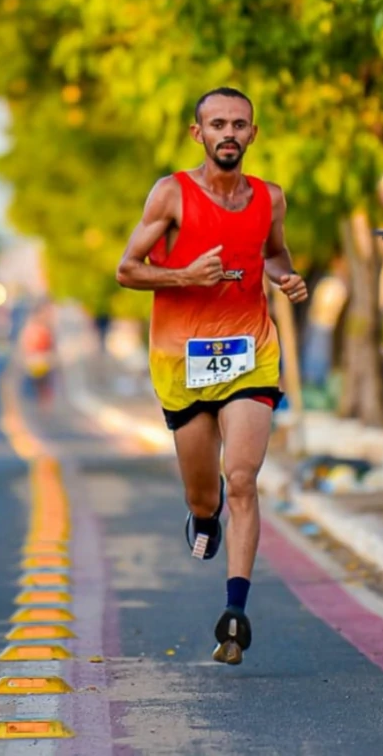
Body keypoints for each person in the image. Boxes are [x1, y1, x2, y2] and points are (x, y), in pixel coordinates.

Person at [115, 86, 308, 665]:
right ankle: (204, 513)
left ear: (253, 134)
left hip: (251, 351)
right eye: (217, 123)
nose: (230, 133)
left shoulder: (270, 198)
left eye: (240, 124)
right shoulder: (171, 193)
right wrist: (185, 277)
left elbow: (275, 254)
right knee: (206, 493)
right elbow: (127, 270)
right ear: (198, 133)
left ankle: (235, 612)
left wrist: (287, 278)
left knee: (243, 477)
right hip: (181, 359)